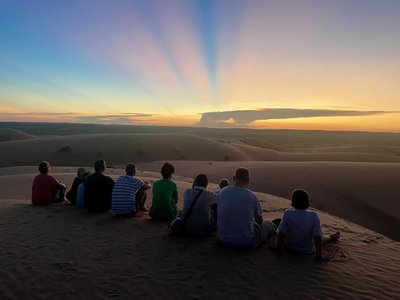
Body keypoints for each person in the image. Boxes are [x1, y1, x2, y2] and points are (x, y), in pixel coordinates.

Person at [217, 167, 276, 248]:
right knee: (268, 224)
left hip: (222, 239)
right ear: (248, 180)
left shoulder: (222, 191)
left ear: (234, 178)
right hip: (245, 242)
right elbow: (259, 221)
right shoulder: (251, 196)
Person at [276, 189, 340, 260]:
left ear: (293, 202)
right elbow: (317, 237)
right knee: (323, 239)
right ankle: (331, 236)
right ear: (307, 202)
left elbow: (282, 233)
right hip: (307, 250)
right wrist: (319, 256)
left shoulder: (287, 213)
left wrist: (279, 249)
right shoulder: (313, 215)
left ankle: (331, 236)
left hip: (289, 248)